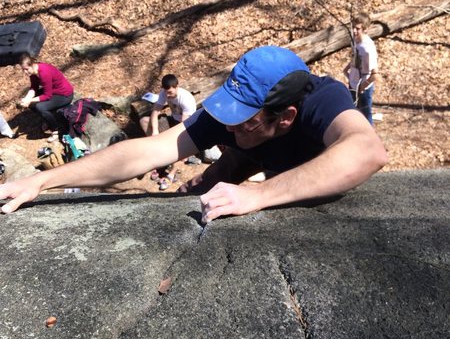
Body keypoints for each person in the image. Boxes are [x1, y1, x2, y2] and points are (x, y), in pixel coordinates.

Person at [0, 45, 387, 223]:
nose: (227, 125)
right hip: (253, 156)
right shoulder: (239, 115)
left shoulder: (322, 99)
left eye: (243, 118)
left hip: (286, 168)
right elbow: (148, 152)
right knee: (201, 188)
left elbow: (367, 151)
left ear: (285, 116)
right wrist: (42, 180)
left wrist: (260, 194)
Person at [143, 74, 198, 190]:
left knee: (179, 143)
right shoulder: (164, 92)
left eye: (171, 93)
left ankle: (171, 173)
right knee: (144, 121)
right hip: (173, 120)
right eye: (166, 92)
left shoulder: (186, 99)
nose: (168, 95)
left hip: (187, 125)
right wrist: (155, 131)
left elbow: (184, 127)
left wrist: (170, 137)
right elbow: (155, 111)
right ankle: (159, 158)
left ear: (177, 86)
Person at [18, 53, 74, 142]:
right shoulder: (33, 72)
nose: (25, 72)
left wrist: (30, 100)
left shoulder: (44, 72)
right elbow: (34, 87)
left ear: (32, 65)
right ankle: (48, 119)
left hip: (64, 95)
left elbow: (47, 96)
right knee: (32, 105)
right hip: (52, 92)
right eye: (23, 69)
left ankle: (55, 130)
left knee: (40, 107)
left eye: (26, 69)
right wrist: (26, 99)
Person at [343, 12, 379, 125]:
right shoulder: (356, 41)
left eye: (357, 28)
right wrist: (347, 69)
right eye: (353, 27)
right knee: (354, 113)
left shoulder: (368, 48)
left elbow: (375, 74)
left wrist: (361, 88)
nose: (354, 31)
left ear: (365, 29)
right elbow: (356, 58)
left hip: (363, 88)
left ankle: (369, 139)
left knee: (366, 116)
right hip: (353, 83)